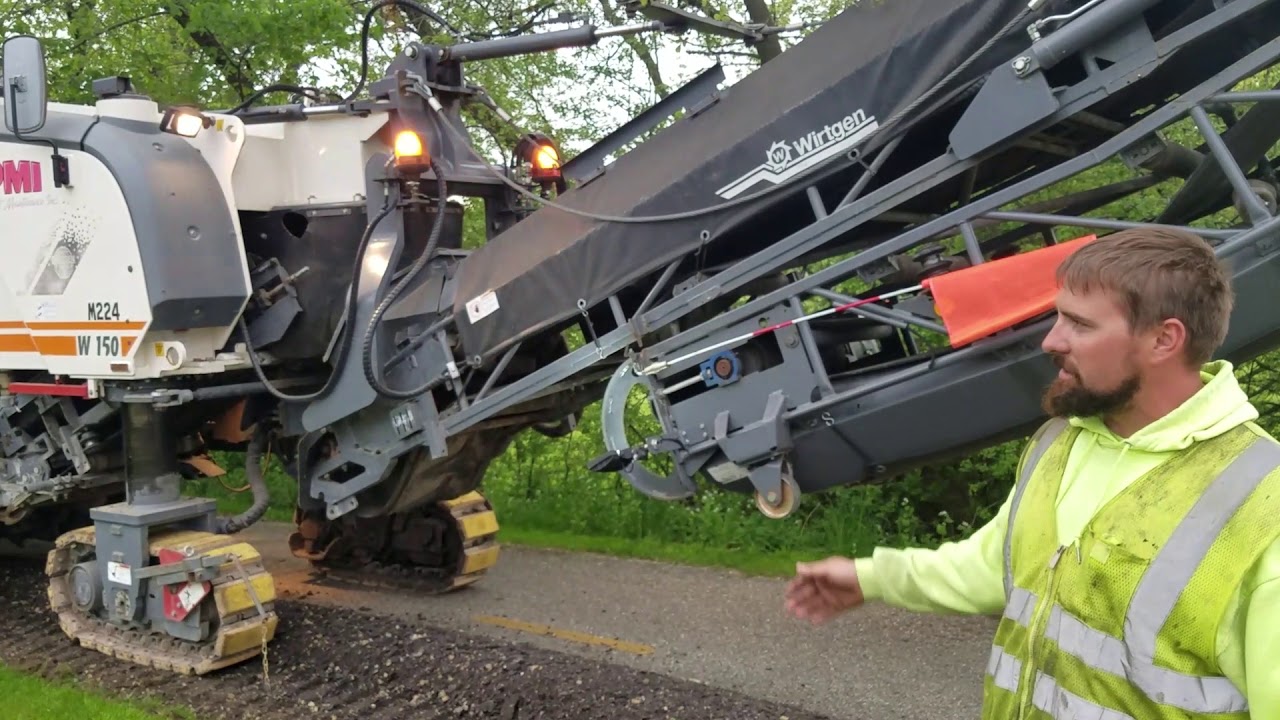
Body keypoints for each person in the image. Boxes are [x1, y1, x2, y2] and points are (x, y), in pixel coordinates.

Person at [783, 226, 1280, 719]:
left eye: (1080, 325)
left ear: (1163, 340)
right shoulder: (1060, 442)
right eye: (1057, 316)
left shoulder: (1263, 503)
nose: (1050, 340)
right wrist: (870, 578)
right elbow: (994, 566)